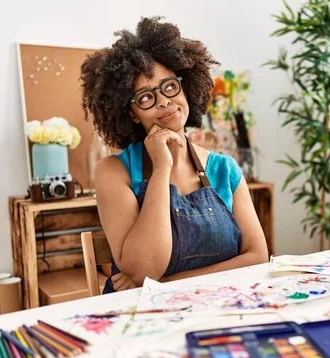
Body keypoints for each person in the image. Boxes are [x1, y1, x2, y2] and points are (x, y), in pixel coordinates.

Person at [80, 17, 268, 294]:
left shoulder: (225, 169)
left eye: (169, 86)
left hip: (221, 308)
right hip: (143, 320)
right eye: (146, 97)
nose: (164, 101)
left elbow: (257, 258)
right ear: (131, 112)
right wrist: (161, 169)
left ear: (185, 86)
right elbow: (144, 269)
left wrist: (167, 285)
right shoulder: (113, 172)